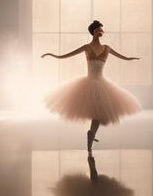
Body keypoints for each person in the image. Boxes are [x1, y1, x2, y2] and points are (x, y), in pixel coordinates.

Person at [41, 20, 141, 151]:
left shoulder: (106, 48)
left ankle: (91, 134)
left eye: (101, 30)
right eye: (99, 29)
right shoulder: (87, 47)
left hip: (98, 83)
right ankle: (91, 134)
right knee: (98, 113)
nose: (101, 31)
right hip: (93, 83)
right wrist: (51, 55)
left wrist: (130, 58)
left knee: (98, 113)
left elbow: (122, 57)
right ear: (94, 31)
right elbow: (66, 55)